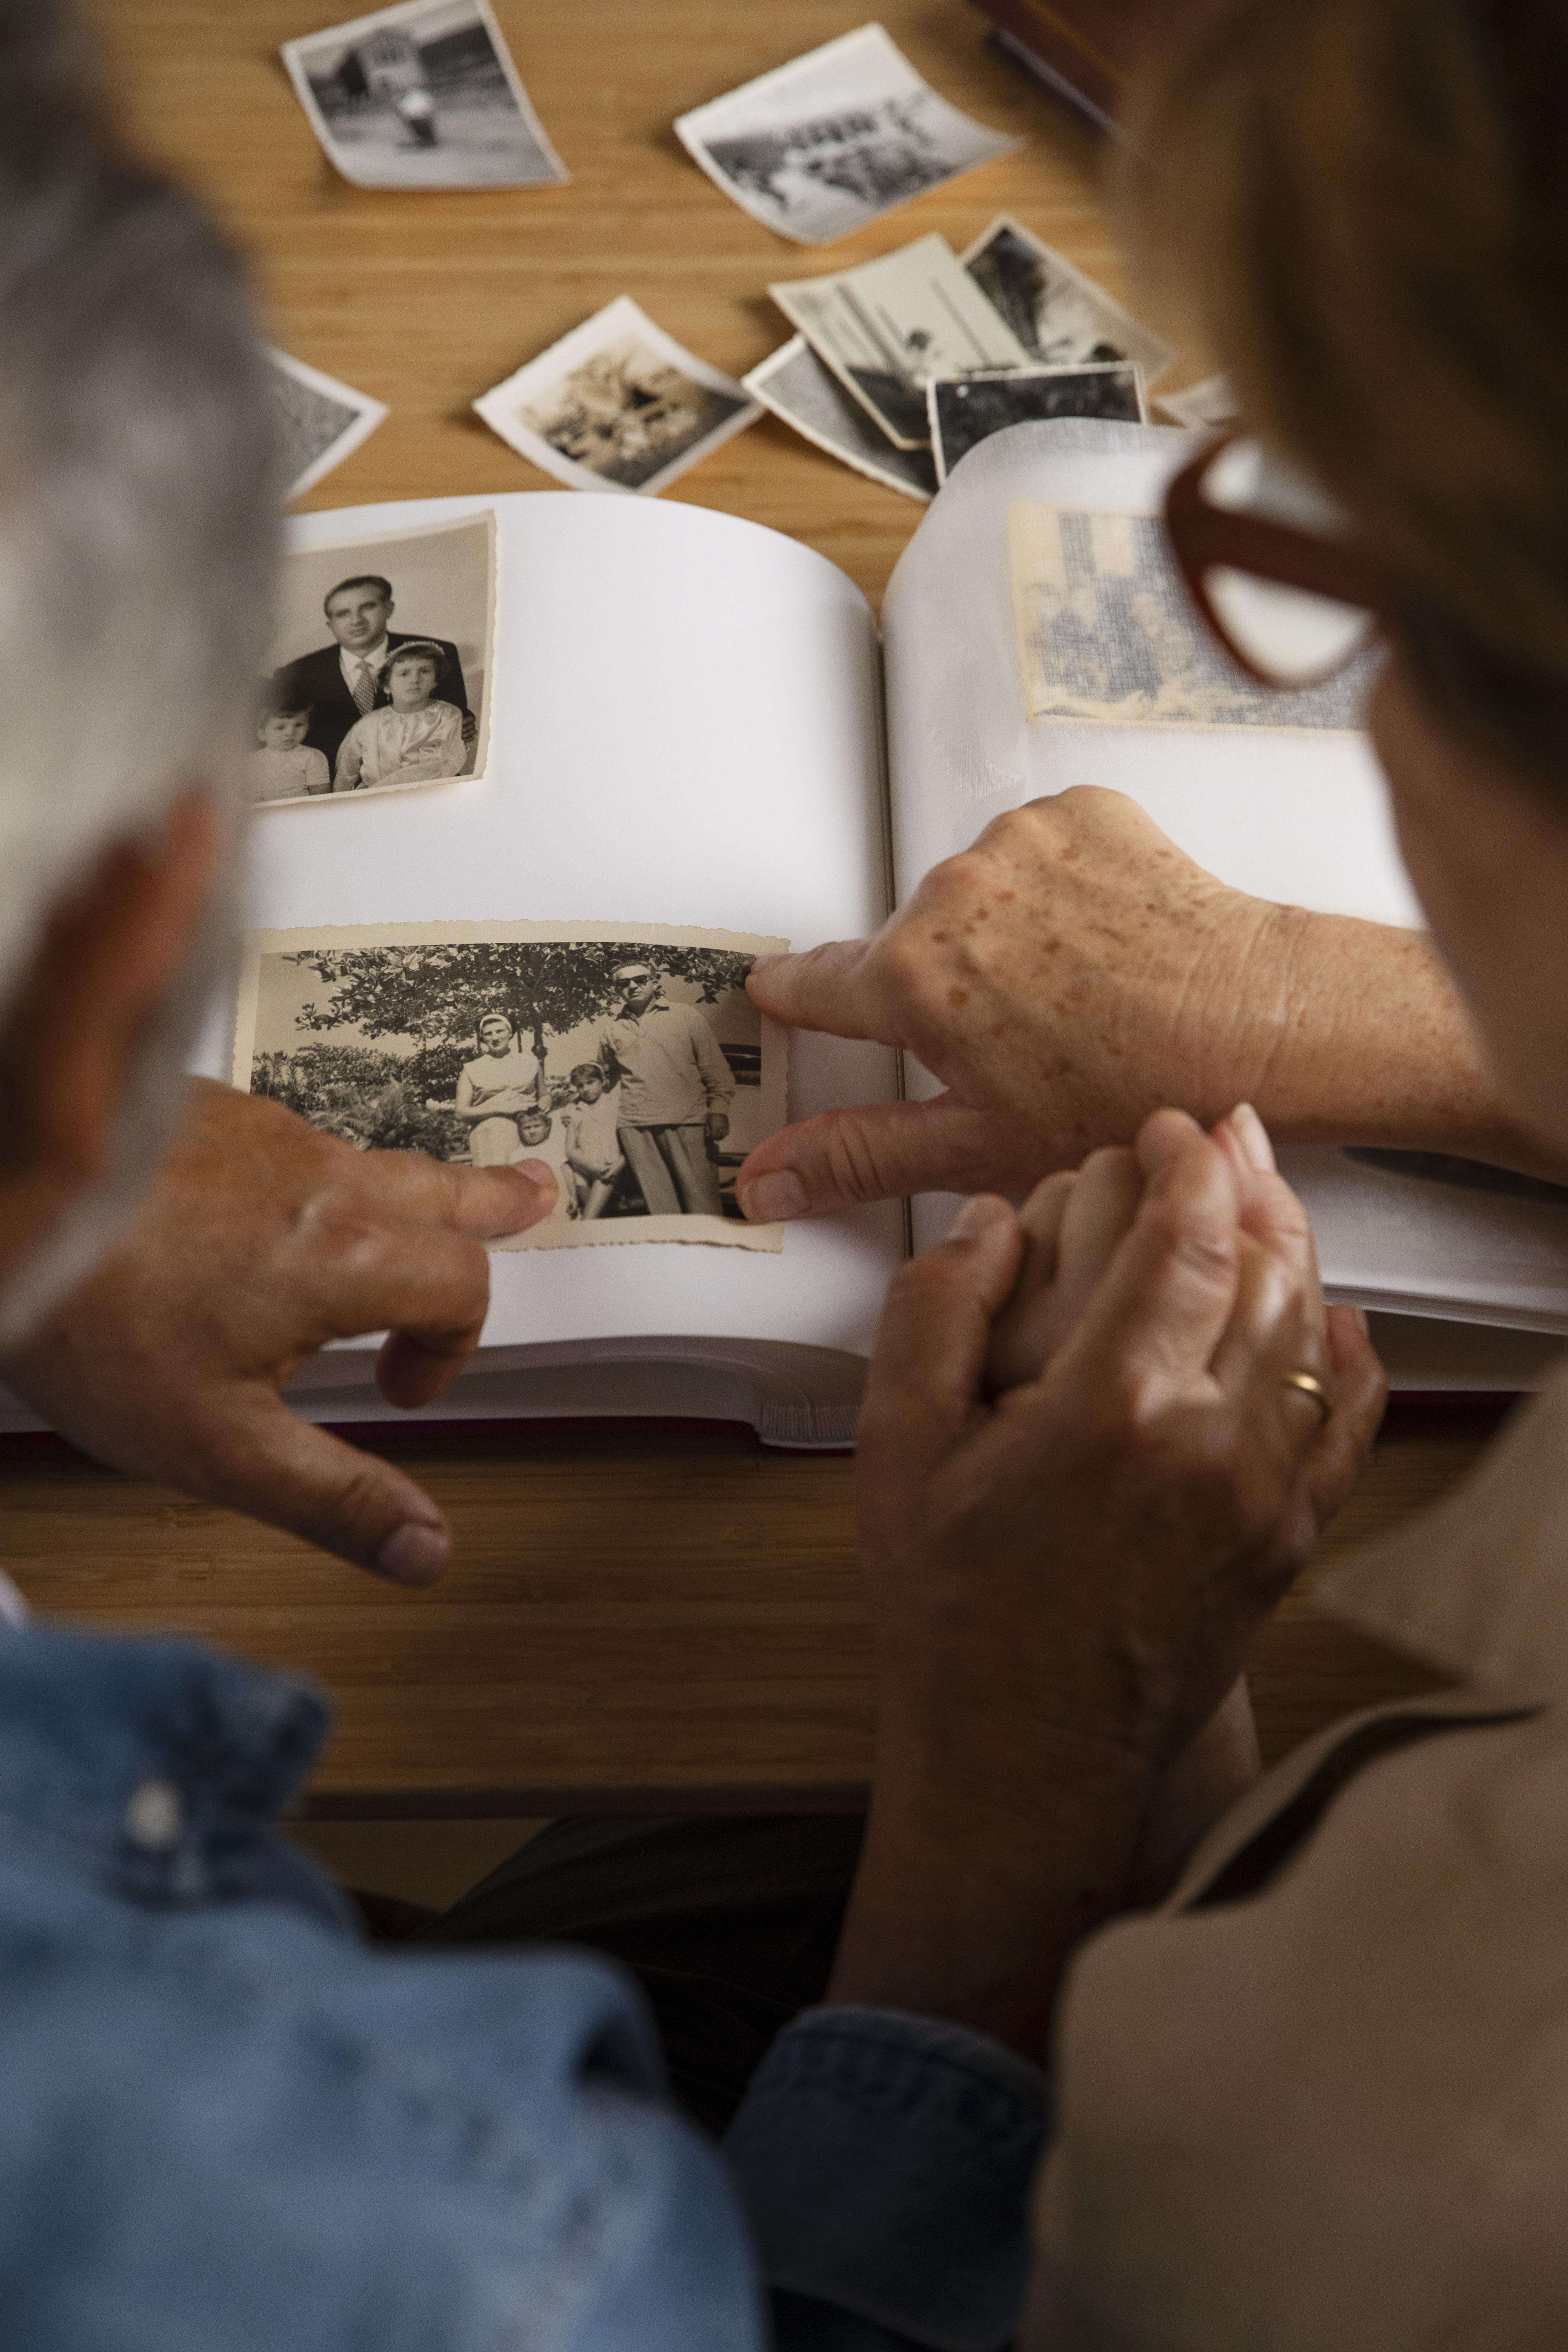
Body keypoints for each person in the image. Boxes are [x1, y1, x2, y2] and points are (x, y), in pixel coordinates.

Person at [274, 573, 473, 777]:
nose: (356, 620)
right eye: (343, 614)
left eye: (368, 607)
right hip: (335, 785)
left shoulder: (435, 653)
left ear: (389, 609)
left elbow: (457, 714)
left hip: (426, 778)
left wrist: (464, 721)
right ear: (330, 625)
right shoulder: (296, 674)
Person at [594, 962, 735, 1217]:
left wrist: (719, 1110)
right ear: (617, 990)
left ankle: (709, 1256)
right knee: (662, 1211)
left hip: (688, 1121)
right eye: (623, 983)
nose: (633, 987)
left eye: (640, 980)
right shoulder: (612, 1028)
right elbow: (605, 1077)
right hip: (635, 1127)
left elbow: (716, 1069)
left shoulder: (686, 1016)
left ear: (654, 981)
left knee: (703, 1208)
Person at [332, 638, 465, 791]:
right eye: (404, 674)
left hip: (430, 792)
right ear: (387, 686)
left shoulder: (447, 715)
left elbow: (443, 764)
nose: (415, 680)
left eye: (425, 671)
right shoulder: (369, 723)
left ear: (436, 681)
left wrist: (384, 790)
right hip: (373, 801)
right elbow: (345, 771)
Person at [453, 1009, 541, 1164]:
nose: (495, 1038)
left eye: (500, 1031)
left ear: (510, 1033)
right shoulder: (471, 1069)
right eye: (488, 1034)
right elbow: (461, 1113)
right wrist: (499, 1108)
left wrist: (546, 1101)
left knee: (531, 1181)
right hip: (490, 1138)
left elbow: (545, 1095)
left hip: (530, 1133)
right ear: (482, 1038)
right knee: (495, 1185)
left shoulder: (531, 1063)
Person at [564, 1057, 624, 1217]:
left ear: (603, 1081)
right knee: (600, 1217)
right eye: (580, 1086)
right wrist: (591, 1166)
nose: (586, 1089)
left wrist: (618, 1165)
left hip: (609, 1170)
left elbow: (629, 1143)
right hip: (584, 1172)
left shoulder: (616, 1104)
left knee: (589, 1218)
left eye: (591, 1083)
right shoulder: (575, 1110)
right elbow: (570, 1150)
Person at [247, 685, 329, 803]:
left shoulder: (312, 756)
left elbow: (322, 797)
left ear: (308, 728)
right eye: (281, 727)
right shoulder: (248, 761)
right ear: (262, 734)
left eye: (299, 725)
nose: (291, 733)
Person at [512, 1100, 576, 1219]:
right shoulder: (517, 1154)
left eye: (537, 1126)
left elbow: (566, 1171)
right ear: (520, 1131)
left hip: (559, 1200)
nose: (532, 1131)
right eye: (527, 1128)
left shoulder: (554, 1147)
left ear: (547, 1127)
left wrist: (573, 1196)